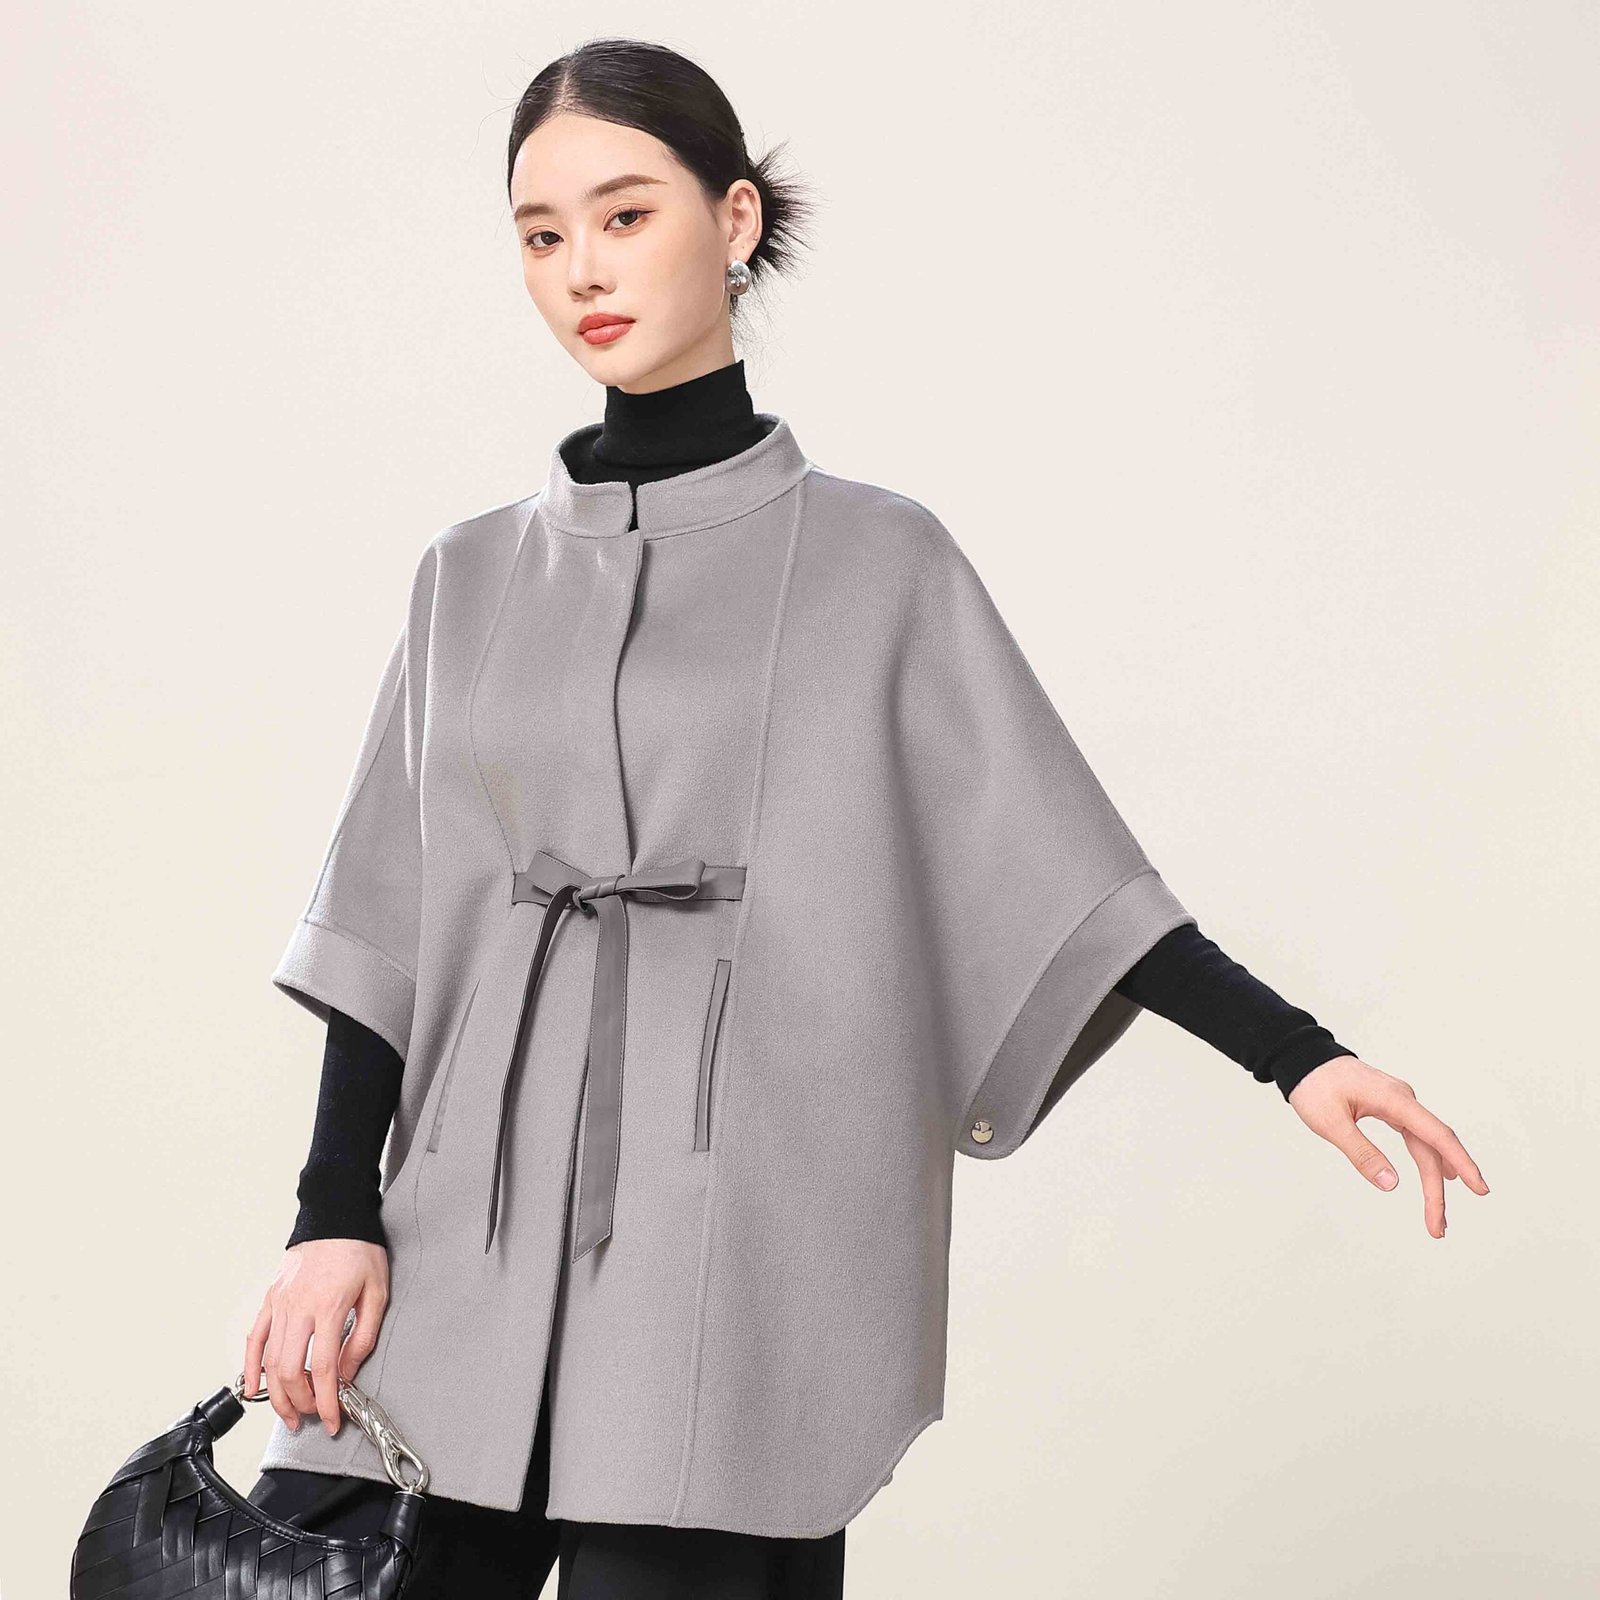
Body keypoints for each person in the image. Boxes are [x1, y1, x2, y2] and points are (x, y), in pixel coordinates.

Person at [240, 36, 1488, 1599]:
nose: (582, 271)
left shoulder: (879, 565)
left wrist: (1295, 1052)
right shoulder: (468, 577)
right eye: (542, 234)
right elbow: (391, 921)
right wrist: (330, 1215)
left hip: (731, 1251)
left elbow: (1047, 857)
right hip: (455, 1248)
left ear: (735, 219)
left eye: (624, 215)